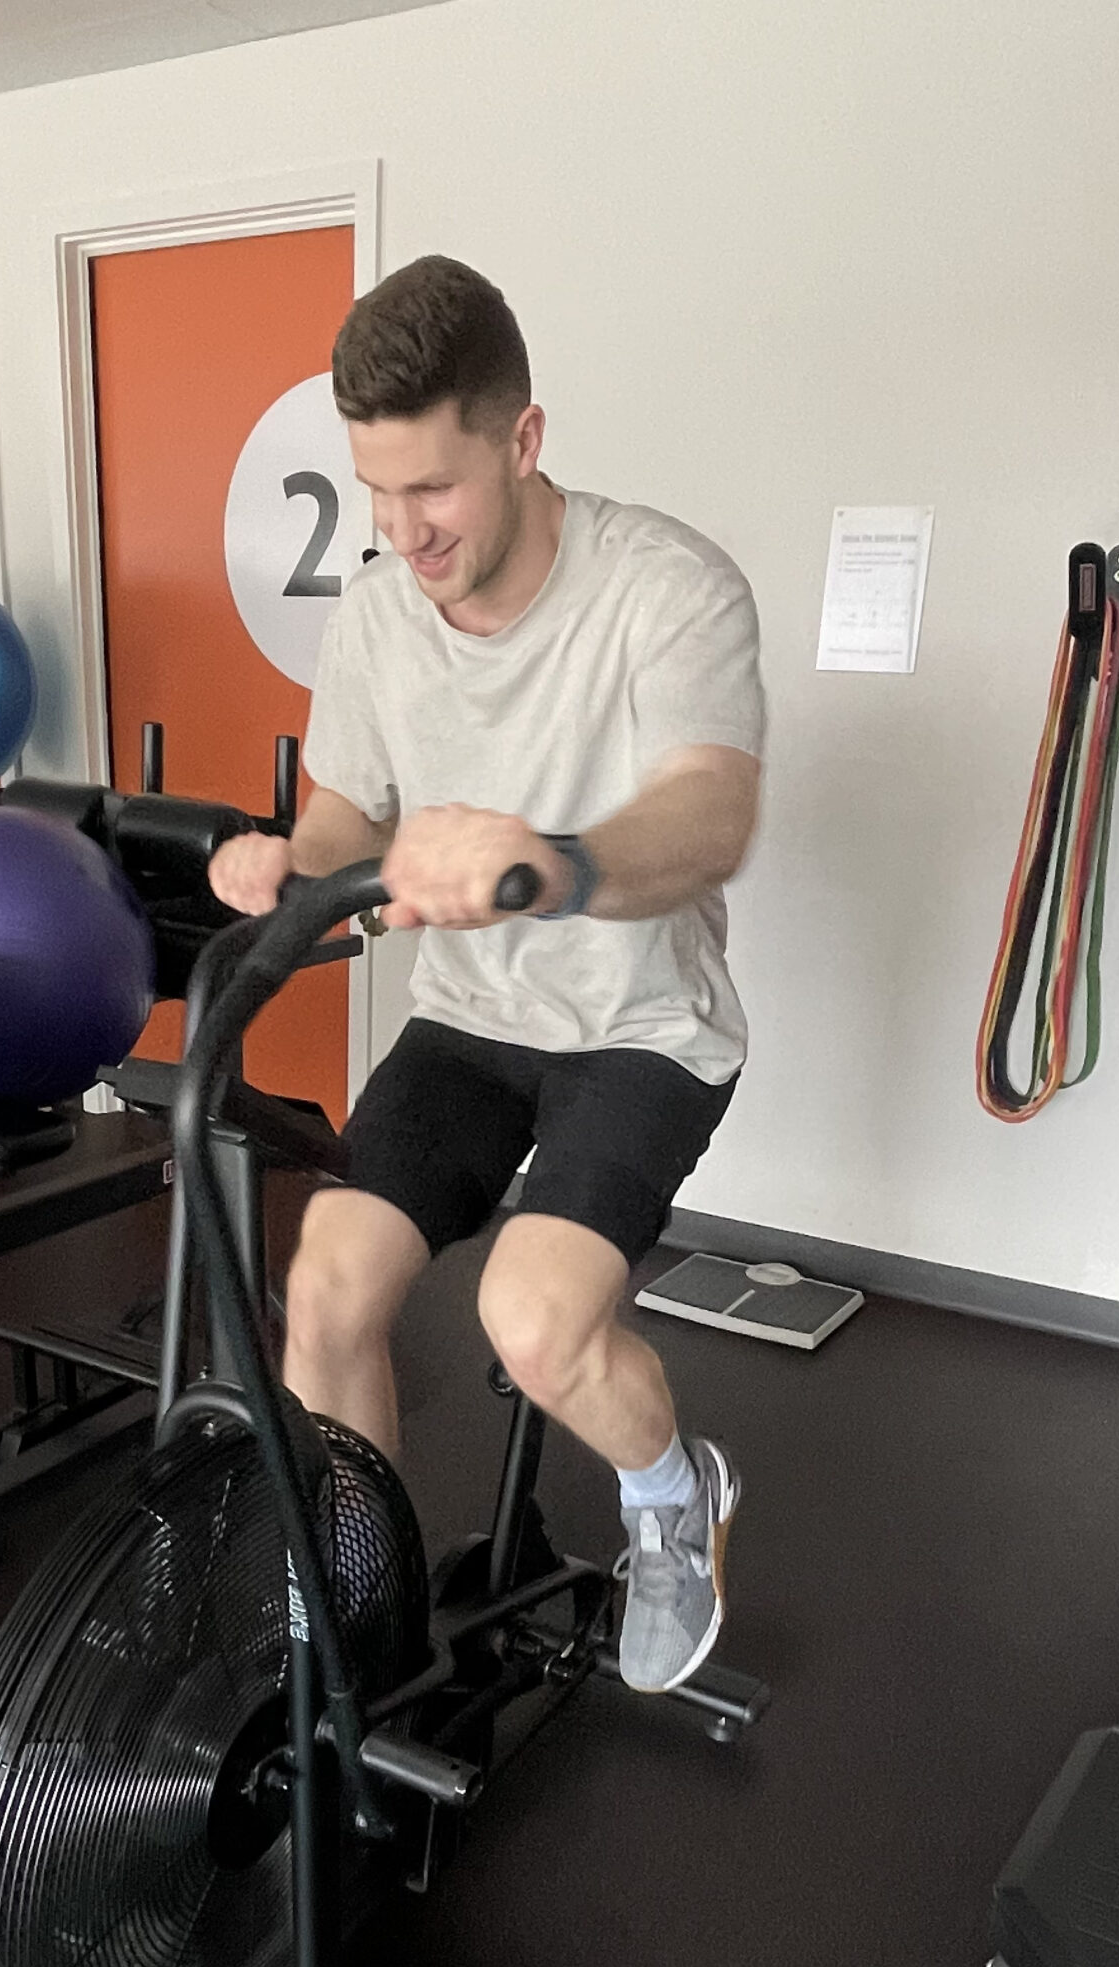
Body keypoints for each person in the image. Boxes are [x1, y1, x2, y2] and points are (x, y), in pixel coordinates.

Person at [209, 256, 764, 1695]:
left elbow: (712, 818)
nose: (401, 530)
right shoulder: (381, 612)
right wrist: (294, 859)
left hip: (639, 1025)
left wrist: (552, 861)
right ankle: (363, 1597)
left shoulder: (667, 584)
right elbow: (349, 810)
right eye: (376, 492)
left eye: (432, 492)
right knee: (324, 1293)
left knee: (531, 1314)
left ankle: (673, 1494)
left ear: (522, 440)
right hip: (471, 1020)